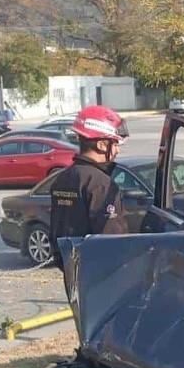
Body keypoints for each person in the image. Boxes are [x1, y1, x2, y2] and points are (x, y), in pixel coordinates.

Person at [48, 105, 130, 270]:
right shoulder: (101, 184)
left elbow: (57, 232)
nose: (118, 150)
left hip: (73, 272)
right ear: (101, 145)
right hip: (101, 276)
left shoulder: (62, 179)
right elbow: (112, 241)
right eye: (115, 144)